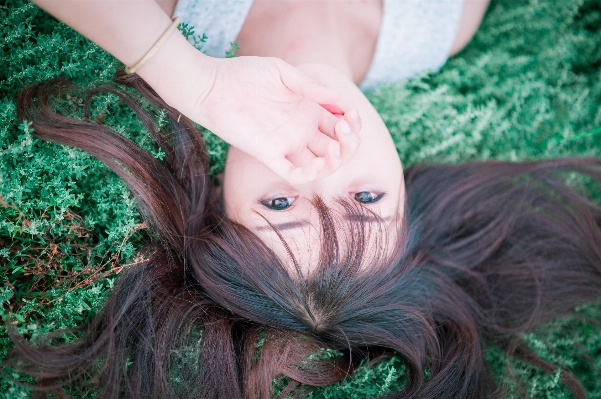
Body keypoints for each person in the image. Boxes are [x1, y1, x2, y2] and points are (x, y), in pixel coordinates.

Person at [7, 0, 601, 398]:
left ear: (221, 194)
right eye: (366, 196)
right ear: (405, 186)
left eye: (280, 206)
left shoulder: (173, 20)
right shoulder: (439, 26)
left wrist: (195, 79)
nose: (324, 167)